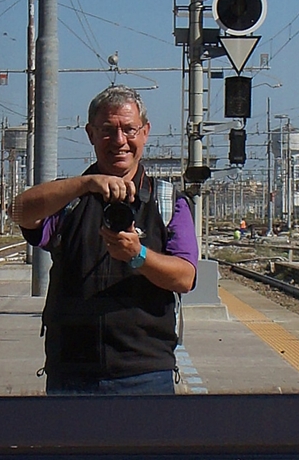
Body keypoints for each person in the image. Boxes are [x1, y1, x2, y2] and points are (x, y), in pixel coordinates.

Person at [13, 85, 198, 395]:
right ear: (91, 134)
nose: (120, 141)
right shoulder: (68, 200)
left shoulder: (168, 201)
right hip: (71, 373)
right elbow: (18, 210)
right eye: (108, 130)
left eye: (129, 129)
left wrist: (139, 255)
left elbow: (185, 277)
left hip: (145, 372)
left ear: (145, 132)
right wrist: (85, 184)